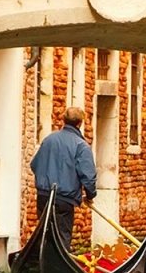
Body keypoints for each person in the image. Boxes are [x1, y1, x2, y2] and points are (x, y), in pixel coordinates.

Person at [29, 105, 97, 246]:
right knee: (61, 238)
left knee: (45, 236)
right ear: (80, 123)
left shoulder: (49, 140)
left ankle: (44, 265)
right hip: (64, 201)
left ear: (64, 121)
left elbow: (34, 165)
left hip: (44, 197)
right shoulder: (81, 146)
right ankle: (56, 266)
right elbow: (88, 178)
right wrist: (90, 196)